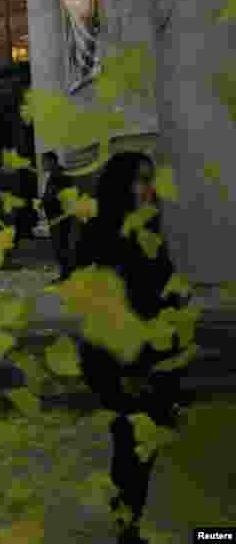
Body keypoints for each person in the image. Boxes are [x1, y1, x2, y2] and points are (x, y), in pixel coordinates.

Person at [73, 152, 187, 544]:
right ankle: (128, 526)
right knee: (129, 446)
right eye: (141, 179)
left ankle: (130, 520)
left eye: (151, 178)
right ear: (122, 185)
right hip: (121, 361)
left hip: (157, 359)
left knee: (144, 448)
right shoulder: (100, 235)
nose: (149, 187)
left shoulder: (151, 230)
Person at [41, 151, 77, 281]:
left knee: (62, 247)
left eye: (44, 161)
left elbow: (65, 195)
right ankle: (66, 274)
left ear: (52, 161)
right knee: (60, 247)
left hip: (60, 218)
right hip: (55, 218)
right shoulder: (54, 174)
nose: (42, 164)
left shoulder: (60, 174)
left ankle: (67, 276)